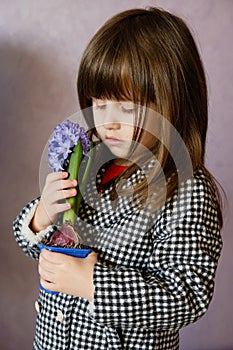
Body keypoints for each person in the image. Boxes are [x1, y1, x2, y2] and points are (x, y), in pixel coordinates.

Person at [13, 7, 223, 350]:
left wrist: (93, 284)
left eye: (127, 108)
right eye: (99, 103)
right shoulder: (87, 161)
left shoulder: (186, 189)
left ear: (172, 103)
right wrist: (42, 217)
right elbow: (33, 245)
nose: (108, 121)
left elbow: (188, 294)